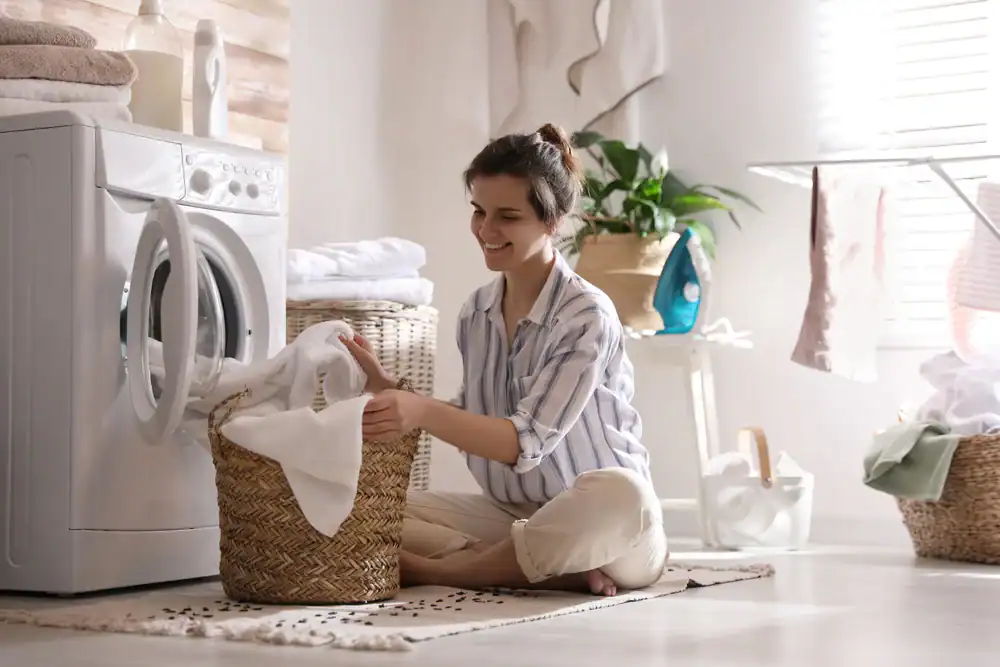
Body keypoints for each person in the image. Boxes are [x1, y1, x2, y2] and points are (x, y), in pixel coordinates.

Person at [342, 123, 667, 597]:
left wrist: (421, 411)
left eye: (508, 216)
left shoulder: (585, 316)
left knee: (624, 495)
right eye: (479, 211)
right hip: (514, 516)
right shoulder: (476, 312)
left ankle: (452, 571)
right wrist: (392, 392)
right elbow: (475, 421)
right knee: (361, 504)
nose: (486, 231)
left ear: (552, 221)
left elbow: (524, 442)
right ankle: (544, 566)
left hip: (612, 524)